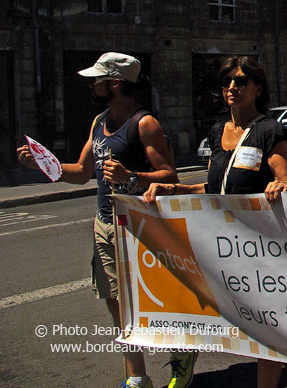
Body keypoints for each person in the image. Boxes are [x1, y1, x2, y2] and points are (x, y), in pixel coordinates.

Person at [16, 52, 192, 388]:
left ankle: (180, 353)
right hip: (105, 223)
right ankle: (137, 377)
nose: (91, 86)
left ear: (115, 83)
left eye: (96, 80)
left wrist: (132, 175)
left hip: (141, 226)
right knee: (116, 302)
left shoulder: (144, 124)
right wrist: (42, 164)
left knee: (154, 299)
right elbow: (82, 173)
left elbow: (170, 176)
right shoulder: (99, 123)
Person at [143, 56, 287, 388]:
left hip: (261, 247)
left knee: (267, 329)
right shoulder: (219, 131)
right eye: (228, 81)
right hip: (224, 245)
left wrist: (281, 185)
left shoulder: (270, 130)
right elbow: (217, 186)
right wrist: (173, 188)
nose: (233, 86)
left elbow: (286, 181)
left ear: (258, 88)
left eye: (242, 80)